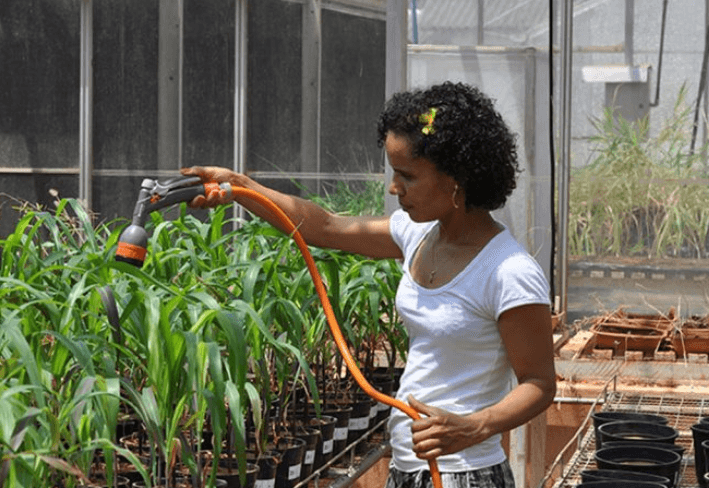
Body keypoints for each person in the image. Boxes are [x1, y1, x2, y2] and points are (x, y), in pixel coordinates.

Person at [182, 81, 556, 488]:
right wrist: (239, 186)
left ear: (456, 178)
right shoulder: (419, 236)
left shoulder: (508, 271)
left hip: (465, 473)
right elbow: (326, 226)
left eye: (407, 176)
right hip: (408, 467)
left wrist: (473, 426)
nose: (395, 189)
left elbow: (539, 383)